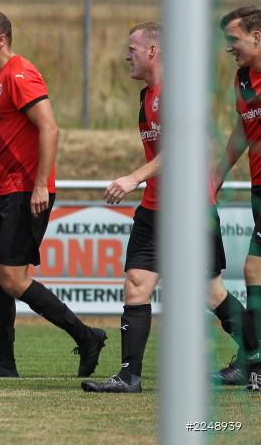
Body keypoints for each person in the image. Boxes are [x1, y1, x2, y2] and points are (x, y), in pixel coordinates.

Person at [81, 22, 250, 393]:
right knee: (136, 285)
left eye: (133, 49)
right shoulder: (147, 95)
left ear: (153, 51)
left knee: (210, 292)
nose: (127, 56)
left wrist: (133, 178)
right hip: (155, 208)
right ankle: (129, 377)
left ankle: (254, 357)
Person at [0, 9, 107, 378]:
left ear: (2, 40)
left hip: (27, 190)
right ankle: (6, 363)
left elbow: (50, 128)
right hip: (3, 190)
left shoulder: (20, 74)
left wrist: (41, 184)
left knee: (12, 279)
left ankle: (86, 336)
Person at [214, 5, 261, 393]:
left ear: (257, 37)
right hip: (258, 190)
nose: (228, 47)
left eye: (234, 39)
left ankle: (253, 362)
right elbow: (242, 132)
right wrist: (218, 174)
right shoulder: (243, 76)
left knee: (253, 271)